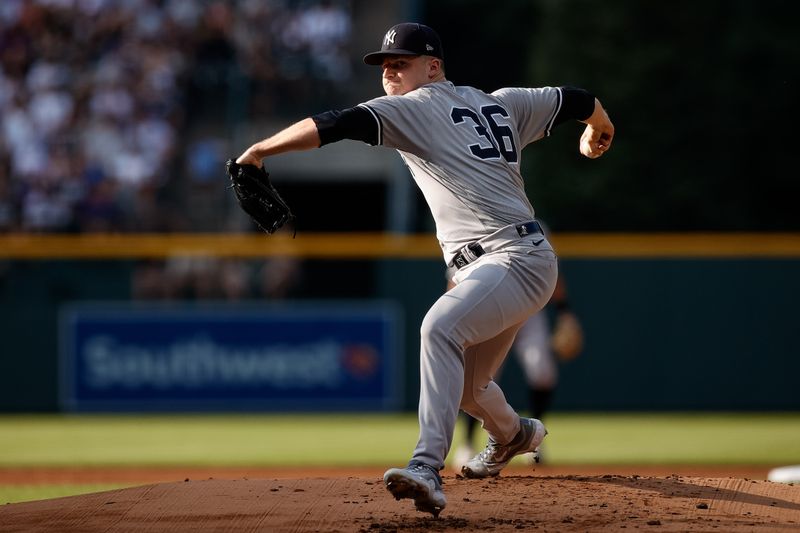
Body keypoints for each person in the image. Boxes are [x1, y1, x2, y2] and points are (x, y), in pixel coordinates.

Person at [234, 22, 614, 517]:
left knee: (438, 328)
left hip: (510, 257)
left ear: (433, 67)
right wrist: (599, 128)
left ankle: (425, 467)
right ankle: (516, 435)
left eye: (401, 63)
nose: (390, 73)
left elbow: (335, 123)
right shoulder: (503, 102)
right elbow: (577, 98)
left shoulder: (414, 107)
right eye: (385, 66)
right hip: (518, 259)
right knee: (469, 389)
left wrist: (259, 151)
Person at [449, 258, 583, 471]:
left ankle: (533, 440)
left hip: (529, 312)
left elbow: (550, 269)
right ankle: (467, 442)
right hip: (489, 311)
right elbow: (455, 282)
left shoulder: (535, 227)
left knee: (542, 371)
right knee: (476, 379)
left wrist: (564, 310)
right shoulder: (470, 232)